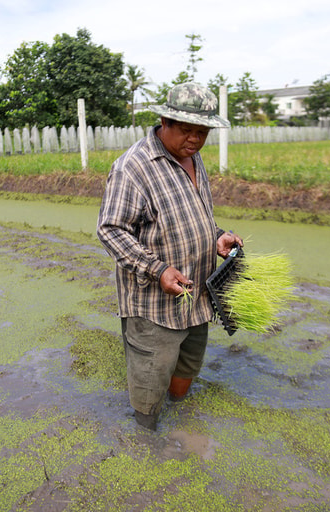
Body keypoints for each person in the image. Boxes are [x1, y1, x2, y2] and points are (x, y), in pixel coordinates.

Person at [96, 82, 243, 431]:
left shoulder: (193, 158)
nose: (194, 139)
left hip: (196, 296)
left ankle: (182, 420)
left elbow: (195, 214)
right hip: (154, 306)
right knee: (151, 381)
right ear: (164, 121)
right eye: (186, 130)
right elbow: (111, 229)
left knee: (187, 369)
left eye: (202, 131)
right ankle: (146, 437)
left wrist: (217, 236)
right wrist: (156, 269)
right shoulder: (133, 167)